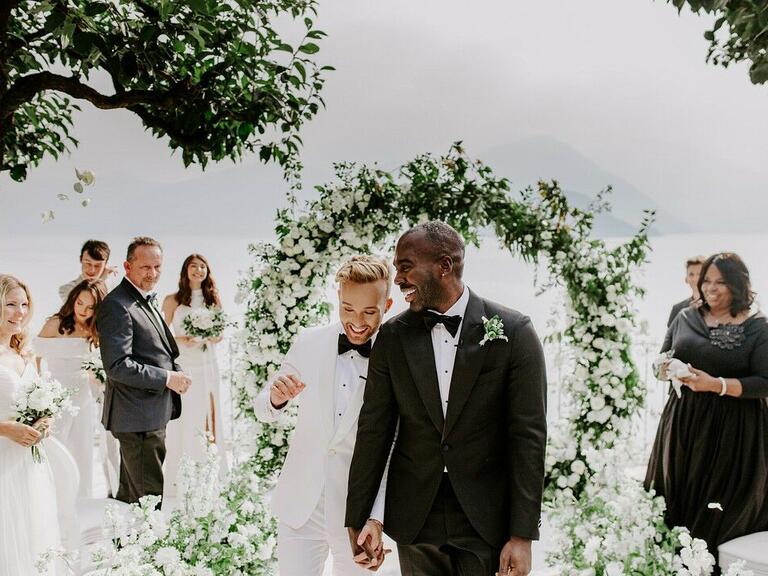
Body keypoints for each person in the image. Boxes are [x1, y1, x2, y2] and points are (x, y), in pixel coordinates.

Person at [345, 222, 548, 576]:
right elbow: (375, 429)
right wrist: (359, 517)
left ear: (444, 266)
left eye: (406, 266)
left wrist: (523, 535)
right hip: (414, 517)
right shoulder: (392, 337)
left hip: (486, 518)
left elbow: (528, 438)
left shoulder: (514, 332)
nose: (398, 279)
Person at [254, 255, 394, 575]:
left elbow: (396, 446)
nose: (357, 321)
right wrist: (275, 399)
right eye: (347, 309)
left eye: (369, 312)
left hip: (357, 517)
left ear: (387, 305)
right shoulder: (309, 341)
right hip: (300, 506)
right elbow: (262, 408)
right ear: (338, 299)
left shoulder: (396, 359)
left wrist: (377, 516)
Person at [646, 252, 768, 564]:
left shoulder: (757, 327)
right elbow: (662, 357)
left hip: (733, 430)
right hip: (683, 422)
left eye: (721, 283)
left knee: (718, 510)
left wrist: (717, 384)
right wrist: (665, 368)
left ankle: (708, 566)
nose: (710, 288)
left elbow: (765, 382)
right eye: (707, 281)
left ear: (738, 286)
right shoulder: (684, 316)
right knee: (676, 500)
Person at [97, 237, 191, 505]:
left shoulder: (141, 299)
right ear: (127, 266)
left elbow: (157, 349)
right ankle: (146, 547)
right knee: (147, 500)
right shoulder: (117, 305)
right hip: (135, 417)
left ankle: (125, 546)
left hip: (148, 414)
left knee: (132, 499)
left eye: (158, 267)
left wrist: (176, 370)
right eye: (145, 267)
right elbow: (117, 366)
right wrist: (167, 379)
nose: (153, 274)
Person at [0, 274, 66, 575]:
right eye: (11, 304)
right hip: (3, 455)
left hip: (29, 462)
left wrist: (46, 421)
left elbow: (41, 398)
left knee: (30, 532)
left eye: (24, 304)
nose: (20, 312)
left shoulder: (24, 352)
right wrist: (5, 428)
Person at [35, 279, 107, 498]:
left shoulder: (96, 330)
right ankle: (52, 496)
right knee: (57, 444)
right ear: (73, 299)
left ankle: (81, 497)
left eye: (90, 307)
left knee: (82, 446)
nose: (83, 310)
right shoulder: (54, 324)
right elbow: (35, 357)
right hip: (56, 393)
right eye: (80, 303)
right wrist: (39, 391)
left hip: (84, 394)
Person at [162, 254, 224, 498]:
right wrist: (182, 340)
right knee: (183, 419)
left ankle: (207, 474)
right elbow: (161, 335)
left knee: (207, 417)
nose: (198, 270)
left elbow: (219, 335)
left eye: (202, 266)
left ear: (207, 271)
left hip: (208, 365)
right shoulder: (172, 301)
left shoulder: (213, 301)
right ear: (185, 271)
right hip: (184, 366)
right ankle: (179, 477)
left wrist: (206, 335)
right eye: (193, 266)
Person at [667, 255, 706, 327]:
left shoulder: (718, 305)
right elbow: (671, 336)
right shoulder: (677, 309)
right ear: (686, 279)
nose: (695, 279)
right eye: (691, 274)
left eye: (699, 274)